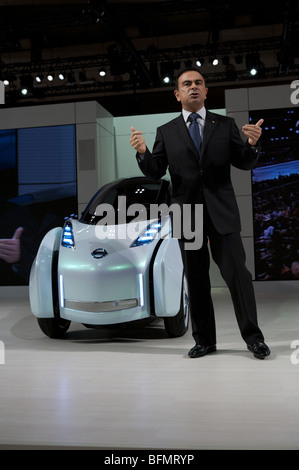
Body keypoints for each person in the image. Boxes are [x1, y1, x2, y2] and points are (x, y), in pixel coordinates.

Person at [130, 68, 271, 360]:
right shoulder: (166, 132)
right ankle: (204, 341)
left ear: (206, 91)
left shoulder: (226, 124)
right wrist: (143, 152)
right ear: (177, 94)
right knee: (196, 279)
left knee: (238, 277)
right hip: (187, 216)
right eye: (186, 84)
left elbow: (244, 162)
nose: (193, 87)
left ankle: (254, 339)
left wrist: (252, 145)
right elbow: (156, 170)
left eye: (198, 83)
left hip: (223, 211)